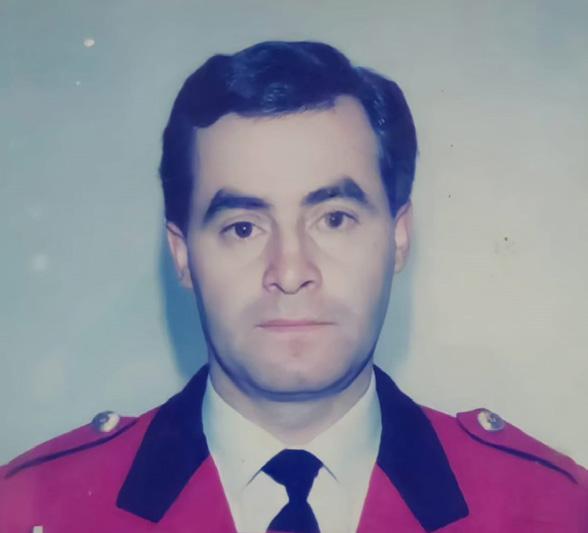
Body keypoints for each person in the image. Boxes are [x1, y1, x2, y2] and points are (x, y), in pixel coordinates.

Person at [1, 40, 586, 533]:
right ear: (183, 255)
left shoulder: (553, 510)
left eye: (334, 219)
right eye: (243, 227)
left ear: (398, 237)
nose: (288, 271)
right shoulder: (31, 509)